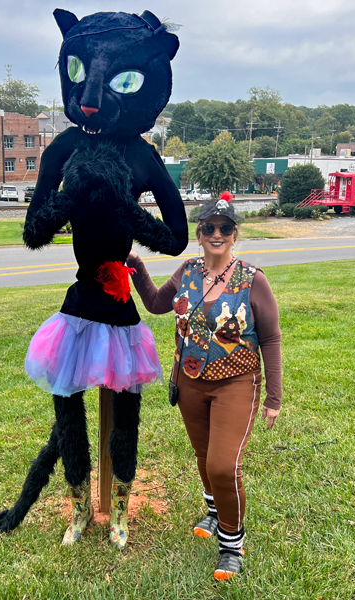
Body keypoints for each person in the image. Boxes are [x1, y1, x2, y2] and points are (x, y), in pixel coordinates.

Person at [127, 196, 282, 580]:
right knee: (203, 455)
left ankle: (232, 544)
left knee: (223, 464)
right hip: (190, 382)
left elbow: (272, 338)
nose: (217, 234)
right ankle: (214, 514)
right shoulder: (188, 271)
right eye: (209, 227)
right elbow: (156, 303)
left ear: (234, 234)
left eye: (224, 228)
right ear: (199, 234)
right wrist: (136, 267)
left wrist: (273, 397)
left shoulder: (252, 278)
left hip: (236, 383)